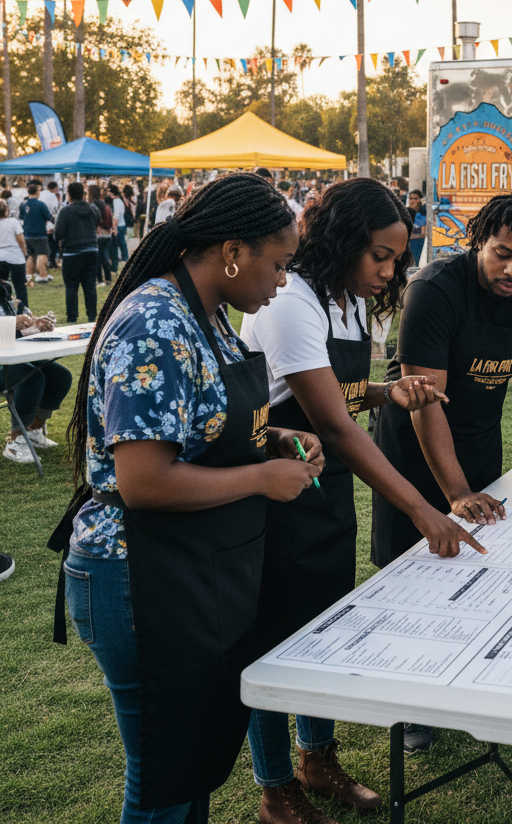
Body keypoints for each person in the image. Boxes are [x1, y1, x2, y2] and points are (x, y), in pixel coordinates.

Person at [51, 173, 324, 823]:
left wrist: (272, 436)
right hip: (136, 574)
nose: (282, 282)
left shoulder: (209, 314)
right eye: (279, 264)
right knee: (165, 782)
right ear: (234, 252)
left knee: (193, 763)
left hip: (189, 568)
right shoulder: (155, 322)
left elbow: (200, 423)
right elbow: (145, 480)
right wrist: (261, 478)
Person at [241, 178, 485, 822]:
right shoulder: (291, 303)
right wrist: (422, 507)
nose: (390, 270)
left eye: (398, 258)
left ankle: (317, 761)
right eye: (380, 254)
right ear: (344, 242)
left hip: (328, 498)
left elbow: (343, 398)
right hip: (279, 495)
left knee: (321, 631)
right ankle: (276, 792)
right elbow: (337, 429)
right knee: (273, 647)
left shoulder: (345, 303)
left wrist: (387, 392)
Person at [371, 191, 512, 753]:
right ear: (477, 242)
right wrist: (454, 491)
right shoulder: (434, 290)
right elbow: (425, 397)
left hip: (480, 445)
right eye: (502, 254)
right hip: (415, 449)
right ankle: (411, 707)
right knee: (409, 575)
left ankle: (466, 683)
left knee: (471, 573)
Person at [1, 278, 69, 464]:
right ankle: (16, 442)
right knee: (32, 379)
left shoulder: (5, 292)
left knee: (60, 377)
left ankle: (32, 431)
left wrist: (36, 324)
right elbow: (9, 324)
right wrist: (11, 322)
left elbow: (19, 325)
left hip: (12, 356)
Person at [54, 181, 100, 324]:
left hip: (72, 252)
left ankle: (72, 316)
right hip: (91, 250)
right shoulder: (93, 209)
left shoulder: (65, 211)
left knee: (71, 287)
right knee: (90, 285)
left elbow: (59, 233)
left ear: (69, 195)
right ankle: (92, 315)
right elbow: (97, 223)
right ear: (83, 194)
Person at [20, 181, 54, 284]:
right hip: (39, 233)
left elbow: (21, 218)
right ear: (37, 192)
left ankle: (28, 276)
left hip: (26, 233)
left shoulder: (23, 204)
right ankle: (42, 275)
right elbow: (49, 217)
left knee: (30, 255)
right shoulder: (41, 204)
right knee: (41, 254)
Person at [0, 197, 29, 305]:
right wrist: (25, 253)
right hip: (15, 257)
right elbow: (20, 240)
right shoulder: (13, 222)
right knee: (20, 287)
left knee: (1, 287)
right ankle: (24, 311)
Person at [89, 184, 115, 286]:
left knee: (99, 258)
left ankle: (100, 279)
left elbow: (96, 219)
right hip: (106, 234)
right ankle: (107, 278)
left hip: (100, 234)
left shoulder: (95, 205)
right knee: (103, 257)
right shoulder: (104, 204)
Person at [108, 184, 129, 270]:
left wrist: (114, 227)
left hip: (119, 226)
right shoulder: (120, 200)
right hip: (122, 224)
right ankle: (125, 257)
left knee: (117, 244)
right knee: (121, 243)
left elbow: (116, 216)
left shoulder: (116, 201)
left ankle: (124, 258)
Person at [406, 189, 427, 266]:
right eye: (411, 198)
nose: (413, 201)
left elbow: (424, 233)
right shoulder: (406, 211)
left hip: (419, 243)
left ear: (420, 200)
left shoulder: (424, 212)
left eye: (415, 199)